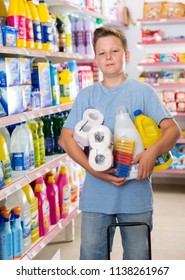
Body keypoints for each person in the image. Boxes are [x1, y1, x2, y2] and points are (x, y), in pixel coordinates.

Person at [59, 26, 181, 260]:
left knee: (137, 260)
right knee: (92, 262)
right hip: (96, 197)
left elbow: (172, 130)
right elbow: (66, 139)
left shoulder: (143, 92)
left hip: (136, 197)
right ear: (95, 59)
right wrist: (93, 169)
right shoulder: (87, 96)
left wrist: (152, 152)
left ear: (126, 55)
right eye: (102, 53)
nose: (108, 57)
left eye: (114, 51)